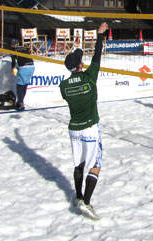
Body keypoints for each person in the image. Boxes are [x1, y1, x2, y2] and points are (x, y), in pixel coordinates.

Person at [60, 22, 109, 220]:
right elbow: (97, 56)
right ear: (80, 66)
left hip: (74, 130)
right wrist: (100, 36)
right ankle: (86, 203)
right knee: (95, 165)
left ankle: (78, 197)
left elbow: (73, 86)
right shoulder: (90, 78)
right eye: (82, 60)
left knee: (79, 165)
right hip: (90, 128)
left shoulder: (63, 86)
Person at [10, 38, 35, 111]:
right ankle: (20, 101)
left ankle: (21, 104)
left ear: (12, 45)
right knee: (25, 84)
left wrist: (13, 69)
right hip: (32, 67)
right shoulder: (24, 48)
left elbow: (13, 62)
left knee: (20, 86)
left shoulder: (13, 50)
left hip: (24, 68)